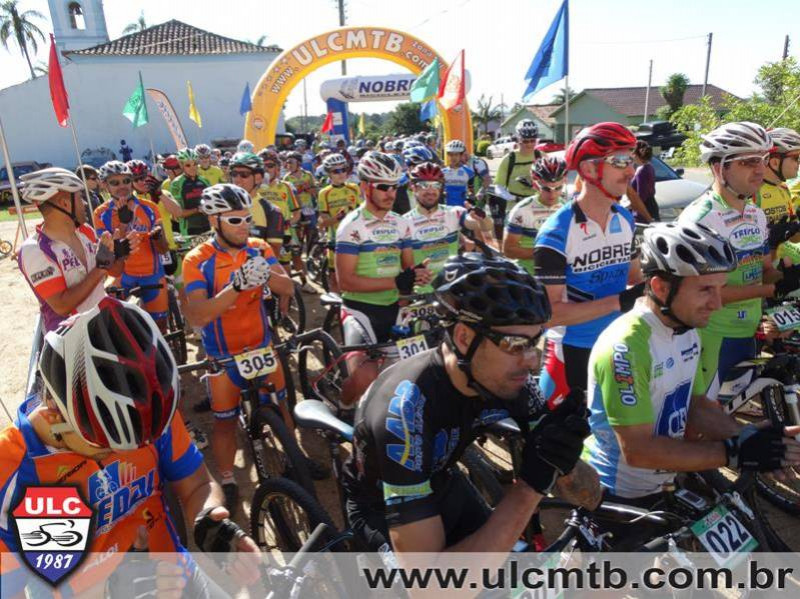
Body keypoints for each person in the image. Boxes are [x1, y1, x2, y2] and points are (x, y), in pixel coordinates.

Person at [341, 253, 598, 560]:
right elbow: (430, 582)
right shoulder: (406, 410)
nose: (532, 362)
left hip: (442, 481)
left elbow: (589, 498)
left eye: (535, 342)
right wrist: (530, 487)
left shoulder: (511, 382)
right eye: (515, 345)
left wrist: (565, 458)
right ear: (464, 337)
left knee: (510, 569)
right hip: (378, 507)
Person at [0, 298, 261, 598]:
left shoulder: (146, 417)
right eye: (105, 447)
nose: (127, 455)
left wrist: (209, 517)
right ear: (53, 415)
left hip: (176, 576)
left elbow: (197, 485)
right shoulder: (11, 474)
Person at [586, 222, 800, 518]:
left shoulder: (686, 328)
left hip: (665, 481)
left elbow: (695, 404)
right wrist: (734, 452)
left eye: (719, 289)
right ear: (661, 287)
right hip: (616, 494)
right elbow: (637, 450)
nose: (717, 303)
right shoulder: (626, 347)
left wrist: (746, 437)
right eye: (705, 290)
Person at [182, 184, 295, 513]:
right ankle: (229, 480)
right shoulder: (197, 259)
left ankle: (293, 459)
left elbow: (288, 287)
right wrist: (236, 285)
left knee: (282, 407)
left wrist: (265, 275)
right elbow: (199, 314)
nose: (244, 226)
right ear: (214, 221)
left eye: (247, 218)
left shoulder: (259, 248)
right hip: (224, 355)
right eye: (235, 220)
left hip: (261, 346)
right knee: (225, 422)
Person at [678, 122, 800, 399]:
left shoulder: (756, 214)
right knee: (707, 418)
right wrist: (771, 289)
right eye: (748, 162)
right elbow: (703, 294)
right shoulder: (701, 219)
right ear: (719, 168)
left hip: (749, 331)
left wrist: (786, 277)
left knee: (736, 410)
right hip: (711, 335)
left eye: (763, 160)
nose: (759, 169)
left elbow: (763, 270)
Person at [534, 122, 645, 397]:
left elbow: (634, 278)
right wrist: (619, 302)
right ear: (589, 169)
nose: (631, 171)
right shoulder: (556, 232)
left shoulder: (625, 218)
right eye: (620, 161)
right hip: (571, 350)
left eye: (631, 160)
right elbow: (551, 314)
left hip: (617, 342)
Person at [335, 151, 432, 406]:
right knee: (364, 377)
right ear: (365, 186)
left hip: (395, 307)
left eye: (394, 186)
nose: (390, 193)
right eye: (383, 187)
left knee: (414, 373)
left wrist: (417, 275)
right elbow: (346, 282)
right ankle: (342, 406)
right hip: (360, 309)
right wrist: (396, 282)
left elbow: (407, 270)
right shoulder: (351, 226)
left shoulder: (401, 224)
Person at [17, 168, 127, 333]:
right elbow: (62, 306)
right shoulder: (35, 250)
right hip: (71, 339)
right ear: (64, 204)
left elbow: (114, 271)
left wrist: (119, 253)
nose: (85, 204)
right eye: (80, 197)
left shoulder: (85, 231)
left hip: (102, 325)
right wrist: (100, 269)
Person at [94, 161, 170, 330]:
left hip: (152, 274)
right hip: (122, 277)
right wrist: (123, 224)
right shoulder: (101, 213)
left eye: (126, 181)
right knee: (121, 329)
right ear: (105, 185)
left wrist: (158, 238)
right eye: (115, 182)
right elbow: (109, 251)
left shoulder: (150, 208)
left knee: (160, 328)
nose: (122, 186)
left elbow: (164, 249)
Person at [405, 161, 494, 293]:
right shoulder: (404, 222)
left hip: (452, 288)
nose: (430, 190)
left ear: (441, 188)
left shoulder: (454, 212)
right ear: (413, 188)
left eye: (436, 185)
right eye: (423, 185)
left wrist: (481, 218)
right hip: (421, 291)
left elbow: (486, 227)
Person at [503, 156, 567, 276]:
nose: (552, 194)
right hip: (529, 275)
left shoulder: (567, 207)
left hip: (559, 274)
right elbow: (509, 250)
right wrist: (547, 253)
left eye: (558, 188)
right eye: (546, 188)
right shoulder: (521, 210)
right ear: (535, 184)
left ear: (564, 181)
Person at [128, 159, 187, 278]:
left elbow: (178, 213)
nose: (141, 182)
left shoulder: (163, 193)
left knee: (180, 286)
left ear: (148, 175)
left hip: (168, 248)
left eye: (143, 177)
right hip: (146, 254)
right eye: (136, 179)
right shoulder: (130, 200)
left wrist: (160, 194)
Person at [317, 152, 361, 294]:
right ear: (329, 174)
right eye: (336, 171)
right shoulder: (324, 193)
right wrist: (338, 218)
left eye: (344, 169)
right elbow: (322, 222)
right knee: (334, 276)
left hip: (355, 236)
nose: (341, 173)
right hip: (336, 237)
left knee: (357, 273)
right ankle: (336, 302)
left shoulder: (354, 188)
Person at [755, 127, 800, 264]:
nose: (799, 163)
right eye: (796, 158)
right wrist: (771, 240)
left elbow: (793, 238)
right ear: (775, 162)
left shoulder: (784, 188)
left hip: (779, 266)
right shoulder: (753, 193)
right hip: (759, 270)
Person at [228, 151, 285, 258]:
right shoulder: (222, 206)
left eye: (244, 175)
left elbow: (273, 254)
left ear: (258, 178)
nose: (237, 180)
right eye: (234, 174)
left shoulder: (272, 211)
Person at [492, 120, 542, 236]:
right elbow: (498, 187)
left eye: (533, 141)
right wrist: (513, 198)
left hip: (536, 206)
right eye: (525, 141)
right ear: (518, 139)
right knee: (513, 241)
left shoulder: (541, 156)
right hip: (514, 208)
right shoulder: (509, 159)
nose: (529, 144)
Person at [283, 151, 317, 292]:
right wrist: (300, 189)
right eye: (287, 162)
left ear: (298, 163)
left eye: (291, 162)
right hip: (296, 211)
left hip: (309, 209)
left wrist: (309, 189)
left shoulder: (307, 175)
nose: (288, 164)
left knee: (312, 235)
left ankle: (311, 258)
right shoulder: (286, 178)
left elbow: (315, 191)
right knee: (298, 240)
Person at [169, 148, 211, 236]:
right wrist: (197, 209)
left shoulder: (204, 180)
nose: (193, 168)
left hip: (209, 226)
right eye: (188, 165)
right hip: (189, 229)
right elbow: (178, 213)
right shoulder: (176, 184)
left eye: (195, 164)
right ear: (181, 165)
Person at [631, 140, 659, 222]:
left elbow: (641, 195)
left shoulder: (642, 170)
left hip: (643, 211)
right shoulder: (649, 167)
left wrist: (630, 206)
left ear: (635, 154)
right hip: (651, 205)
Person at [441, 139, 474, 207]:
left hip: (462, 207)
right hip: (447, 207)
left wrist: (471, 195)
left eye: (456, 155)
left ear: (461, 155)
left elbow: (471, 191)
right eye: (451, 155)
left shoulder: (468, 172)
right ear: (448, 155)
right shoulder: (442, 172)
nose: (453, 157)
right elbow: (439, 189)